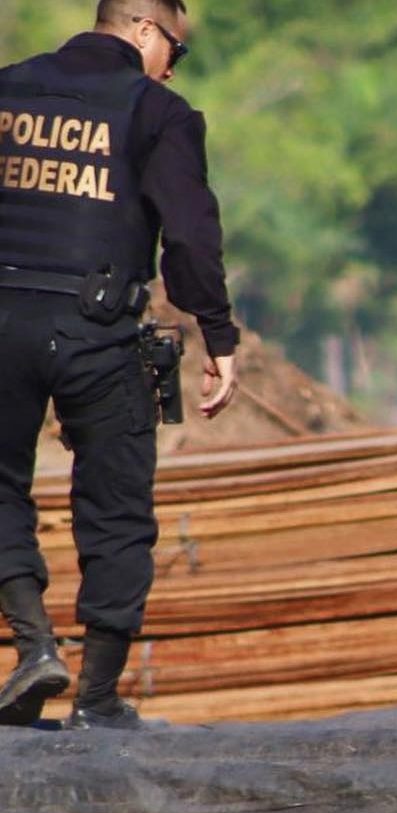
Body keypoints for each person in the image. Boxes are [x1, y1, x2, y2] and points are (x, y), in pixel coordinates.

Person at [0, 0, 239, 730]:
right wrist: (218, 337)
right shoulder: (157, 111)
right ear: (143, 31)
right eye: (176, 48)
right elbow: (191, 240)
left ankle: (34, 642)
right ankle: (97, 699)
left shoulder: (6, 88)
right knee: (115, 509)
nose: (173, 64)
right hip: (98, 333)